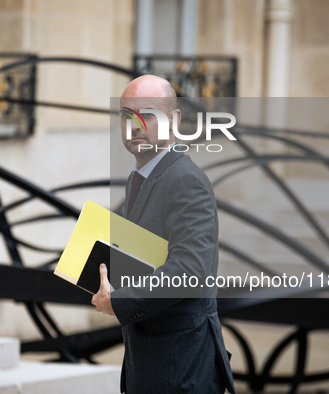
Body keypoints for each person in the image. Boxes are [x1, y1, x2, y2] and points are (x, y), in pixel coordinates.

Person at [91, 75, 235, 394]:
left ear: (174, 120)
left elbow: (189, 270)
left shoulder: (186, 181)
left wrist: (120, 301)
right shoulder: (139, 178)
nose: (135, 124)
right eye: (127, 114)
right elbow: (147, 256)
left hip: (180, 368)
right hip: (152, 362)